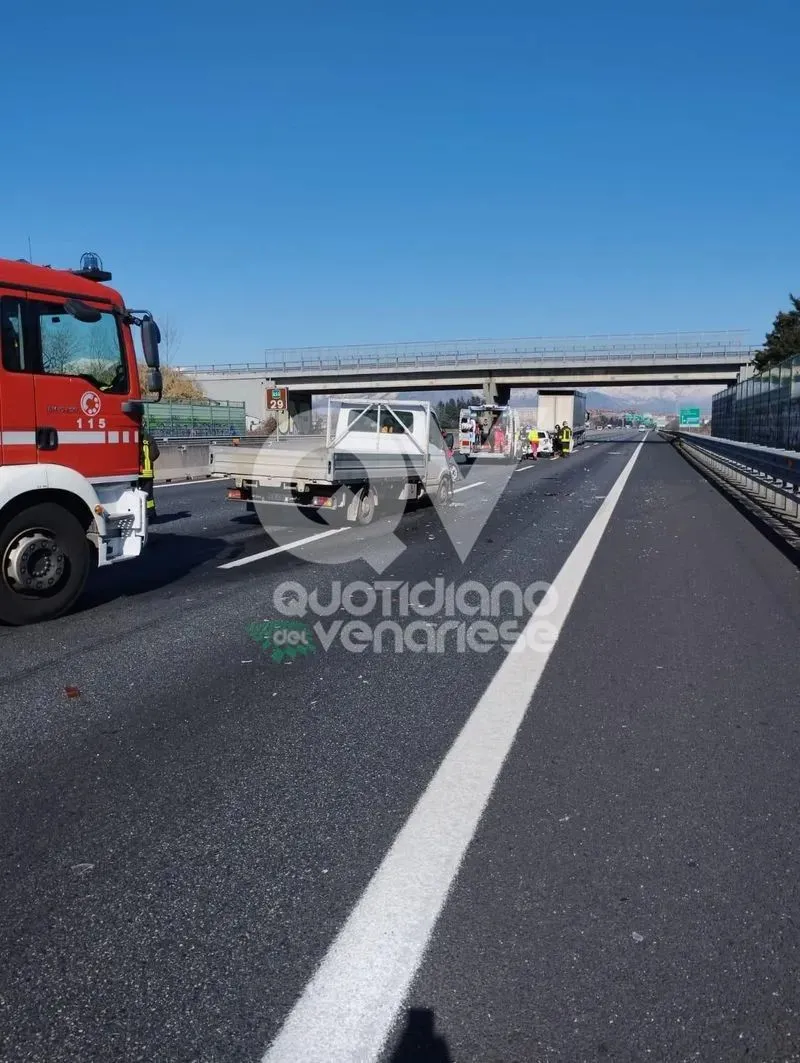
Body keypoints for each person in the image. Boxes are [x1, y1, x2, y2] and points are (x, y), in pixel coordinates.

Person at [140, 430, 160, 519]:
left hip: (135, 473)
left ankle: (138, 516)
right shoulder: (149, 438)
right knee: (149, 498)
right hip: (147, 473)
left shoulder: (132, 437)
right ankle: (151, 516)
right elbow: (154, 454)